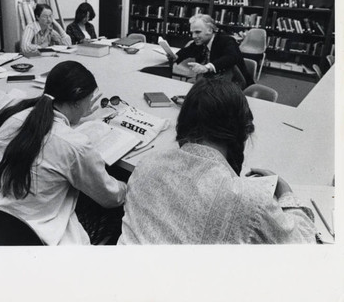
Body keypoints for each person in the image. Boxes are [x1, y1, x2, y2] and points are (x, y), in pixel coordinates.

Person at [118, 78, 316, 244]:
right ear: (243, 131)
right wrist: (287, 194)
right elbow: (303, 246)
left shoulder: (146, 163)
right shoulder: (250, 199)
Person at [0, 61, 126, 245]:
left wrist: (74, 118)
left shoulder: (15, 117)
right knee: (114, 210)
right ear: (76, 100)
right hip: (43, 237)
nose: (90, 104)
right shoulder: (75, 145)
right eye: (89, 99)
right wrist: (129, 186)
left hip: (2, 223)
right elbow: (111, 197)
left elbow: (48, 143)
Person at [171, 13, 254, 87]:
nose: (193, 36)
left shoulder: (226, 40)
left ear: (210, 30)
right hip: (214, 82)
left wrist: (207, 67)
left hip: (236, 84)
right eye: (192, 32)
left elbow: (231, 57)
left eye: (197, 32)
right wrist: (176, 56)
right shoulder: (201, 42)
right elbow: (187, 50)